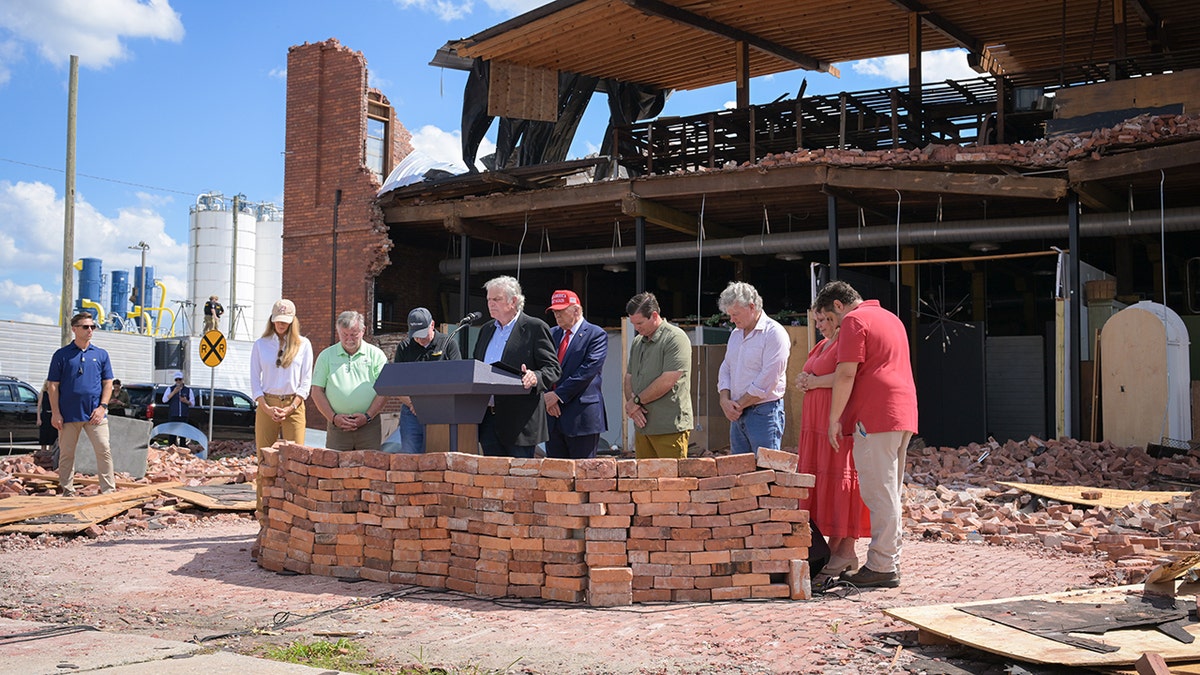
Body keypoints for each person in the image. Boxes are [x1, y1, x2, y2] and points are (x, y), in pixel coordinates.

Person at [814, 280, 918, 589]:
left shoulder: (855, 320)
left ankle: (882, 565)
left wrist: (834, 420)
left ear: (838, 305)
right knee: (889, 489)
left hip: (875, 414)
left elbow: (847, 372)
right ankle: (887, 560)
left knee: (877, 490)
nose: (831, 327)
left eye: (829, 319)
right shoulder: (890, 318)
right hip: (902, 411)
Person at [795, 307, 871, 579]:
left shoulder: (846, 342)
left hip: (834, 423)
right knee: (820, 483)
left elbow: (848, 376)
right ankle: (833, 549)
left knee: (840, 483)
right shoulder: (822, 344)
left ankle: (844, 548)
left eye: (827, 319)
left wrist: (813, 382)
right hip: (814, 428)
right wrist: (806, 381)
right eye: (818, 320)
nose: (822, 325)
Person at [472, 275, 560, 458]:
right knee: (493, 478)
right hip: (488, 419)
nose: (490, 304)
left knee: (520, 480)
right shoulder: (486, 330)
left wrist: (535, 376)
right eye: (488, 299)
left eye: (496, 299)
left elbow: (552, 368)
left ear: (513, 301)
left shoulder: (534, 328)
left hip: (520, 422)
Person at [716, 281, 790, 455]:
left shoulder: (774, 333)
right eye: (729, 315)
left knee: (766, 473)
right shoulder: (735, 334)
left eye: (735, 314)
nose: (732, 320)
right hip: (737, 412)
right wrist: (724, 399)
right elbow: (726, 367)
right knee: (740, 474)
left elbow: (768, 378)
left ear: (751, 306)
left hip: (764, 412)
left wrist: (736, 406)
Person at [47, 312, 117, 496]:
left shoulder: (101, 354)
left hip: (96, 414)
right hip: (68, 414)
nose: (90, 330)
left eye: (92, 327)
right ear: (74, 329)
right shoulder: (62, 355)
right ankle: (68, 491)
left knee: (104, 449)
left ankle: (109, 490)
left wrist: (103, 407)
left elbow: (108, 383)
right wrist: (55, 413)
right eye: (85, 327)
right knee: (67, 453)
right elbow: (52, 386)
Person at [623, 292, 692, 459]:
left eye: (640, 323)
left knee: (671, 483)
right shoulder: (638, 342)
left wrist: (636, 402)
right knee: (644, 482)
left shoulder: (675, 338)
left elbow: (667, 380)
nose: (636, 328)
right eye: (633, 323)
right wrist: (633, 407)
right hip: (643, 427)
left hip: (668, 427)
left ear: (654, 315)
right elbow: (629, 377)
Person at [310, 311, 388, 451]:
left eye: (353, 334)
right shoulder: (326, 356)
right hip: (337, 428)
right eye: (344, 334)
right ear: (338, 331)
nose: (349, 339)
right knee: (336, 471)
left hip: (369, 427)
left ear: (363, 331)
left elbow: (384, 391)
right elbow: (316, 391)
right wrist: (333, 418)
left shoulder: (377, 356)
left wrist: (367, 416)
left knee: (370, 470)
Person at [543, 290, 607, 459]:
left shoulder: (596, 334)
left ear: (577, 310)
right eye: (555, 312)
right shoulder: (552, 334)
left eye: (561, 311)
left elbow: (587, 371)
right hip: (552, 417)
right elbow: (542, 367)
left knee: (582, 475)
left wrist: (557, 395)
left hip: (581, 417)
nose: (557, 315)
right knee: (555, 475)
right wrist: (547, 397)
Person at [391, 307, 461, 453]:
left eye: (423, 334)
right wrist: (412, 403)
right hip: (411, 412)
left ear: (432, 325)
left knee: (439, 456)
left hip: (440, 411)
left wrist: (430, 405)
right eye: (415, 335)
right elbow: (396, 384)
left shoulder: (448, 344)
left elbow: (457, 379)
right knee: (409, 458)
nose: (419, 339)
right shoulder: (404, 347)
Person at [250, 299, 313, 451]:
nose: (281, 324)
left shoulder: (304, 345)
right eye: (277, 320)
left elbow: (306, 381)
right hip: (267, 403)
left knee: (297, 458)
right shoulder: (260, 344)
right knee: (264, 458)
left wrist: (290, 408)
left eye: (285, 321)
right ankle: (263, 477)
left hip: (293, 404)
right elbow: (254, 379)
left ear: (293, 321)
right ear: (272, 320)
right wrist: (266, 408)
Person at [162, 370, 195, 446]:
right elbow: (164, 400)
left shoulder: (188, 390)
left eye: (179, 379)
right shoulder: (170, 389)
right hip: (173, 415)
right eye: (176, 380)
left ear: (182, 380)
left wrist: (186, 401)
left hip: (183, 415)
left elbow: (192, 403)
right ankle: (171, 449)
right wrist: (174, 392)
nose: (178, 381)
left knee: (183, 434)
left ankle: (182, 449)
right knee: (172, 434)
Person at [37, 379, 57, 454]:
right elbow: (39, 406)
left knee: (52, 434)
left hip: (53, 414)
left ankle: (50, 453)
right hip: (45, 415)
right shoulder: (43, 393)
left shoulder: (55, 393)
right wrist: (38, 418)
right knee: (44, 433)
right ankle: (43, 451)